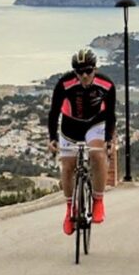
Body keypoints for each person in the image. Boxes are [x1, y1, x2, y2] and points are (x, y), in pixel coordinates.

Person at [47, 48, 116, 235]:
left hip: (95, 123)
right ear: (74, 72)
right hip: (70, 125)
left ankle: (98, 201)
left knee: (97, 154)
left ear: (95, 69)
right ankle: (70, 209)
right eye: (79, 72)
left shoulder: (107, 85)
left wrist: (108, 140)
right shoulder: (64, 83)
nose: (84, 76)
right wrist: (52, 137)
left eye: (88, 71)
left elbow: (110, 115)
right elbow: (54, 112)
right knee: (67, 166)